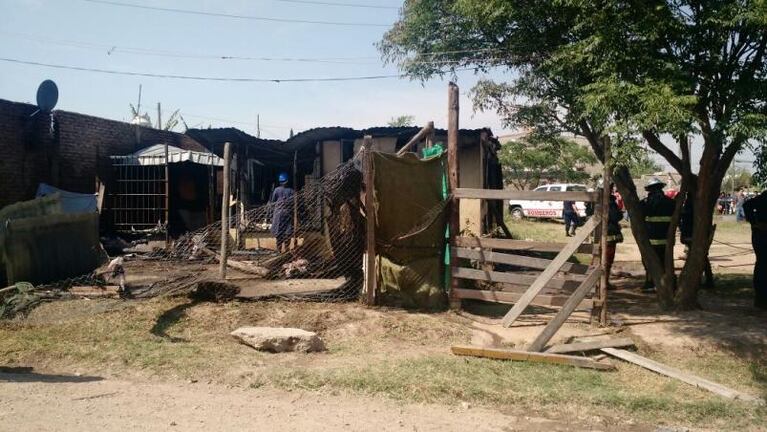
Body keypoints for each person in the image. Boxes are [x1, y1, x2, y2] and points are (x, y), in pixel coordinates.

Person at [639, 178, 676, 293]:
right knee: (665, 262)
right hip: (666, 239)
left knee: (649, 261)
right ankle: (668, 284)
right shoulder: (671, 202)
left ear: (649, 190)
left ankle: (650, 283)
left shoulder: (645, 203)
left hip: (651, 239)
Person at [679, 195, 714, 289]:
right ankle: (706, 279)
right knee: (701, 257)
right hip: (695, 234)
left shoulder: (692, 203)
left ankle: (701, 280)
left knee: (700, 257)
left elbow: (687, 218)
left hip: (692, 234)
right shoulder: (698, 201)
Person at [744, 191, 767, 309]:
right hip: (762, 234)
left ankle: (761, 298)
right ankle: (761, 297)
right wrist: (754, 222)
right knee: (762, 265)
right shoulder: (764, 197)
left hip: (759, 234)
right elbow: (747, 205)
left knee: (761, 265)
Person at [270, 172, 294, 253]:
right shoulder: (291, 191)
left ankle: (279, 250)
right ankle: (286, 250)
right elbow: (293, 202)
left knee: (279, 232)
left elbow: (273, 201)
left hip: (278, 213)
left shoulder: (276, 190)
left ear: (280, 182)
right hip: (287, 213)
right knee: (287, 232)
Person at [605, 191, 624, 290]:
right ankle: (605, 283)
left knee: (597, 259)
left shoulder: (595, 199)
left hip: (599, 235)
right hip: (609, 236)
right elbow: (616, 216)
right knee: (607, 261)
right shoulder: (611, 202)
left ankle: (595, 282)